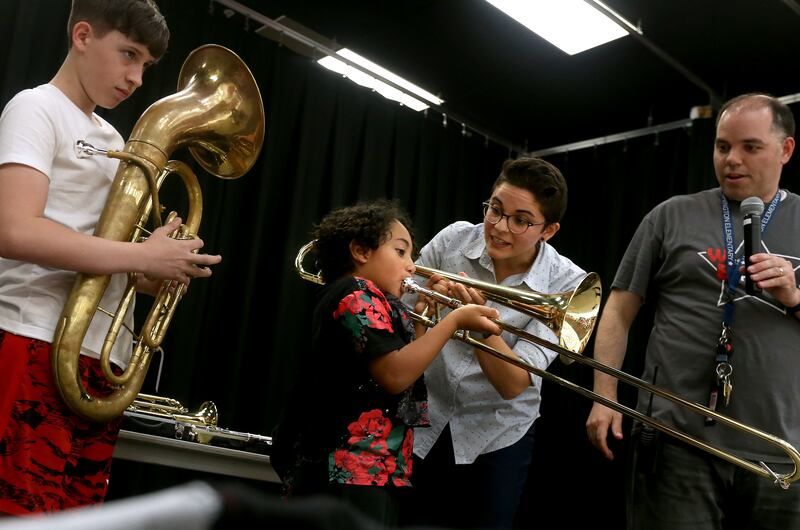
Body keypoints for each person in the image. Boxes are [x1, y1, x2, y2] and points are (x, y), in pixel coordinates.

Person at [0, 0, 222, 515]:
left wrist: (154, 269)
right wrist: (137, 253)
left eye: (146, 64)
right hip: (34, 340)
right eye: (128, 54)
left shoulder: (113, 138)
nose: (137, 77)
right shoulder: (35, 107)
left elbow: (106, 255)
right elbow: (13, 229)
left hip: (98, 359)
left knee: (75, 520)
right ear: (82, 36)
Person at [585, 93, 800, 529]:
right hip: (676, 441)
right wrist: (603, 396)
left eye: (750, 147)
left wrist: (796, 298)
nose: (732, 160)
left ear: (786, 150)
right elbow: (619, 310)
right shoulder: (670, 216)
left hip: (780, 451)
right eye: (722, 146)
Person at [271, 200, 501, 527]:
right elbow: (394, 374)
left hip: (374, 466)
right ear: (361, 251)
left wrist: (425, 321)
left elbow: (402, 372)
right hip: (347, 464)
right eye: (400, 252)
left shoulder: (378, 301)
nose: (411, 266)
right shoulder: (356, 292)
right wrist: (455, 321)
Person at [403, 157, 590, 530]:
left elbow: (513, 385)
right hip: (426, 415)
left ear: (548, 230)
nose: (500, 227)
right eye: (495, 210)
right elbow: (401, 319)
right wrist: (424, 303)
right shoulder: (454, 239)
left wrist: (479, 325)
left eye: (520, 220)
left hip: (497, 434)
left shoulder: (568, 284)